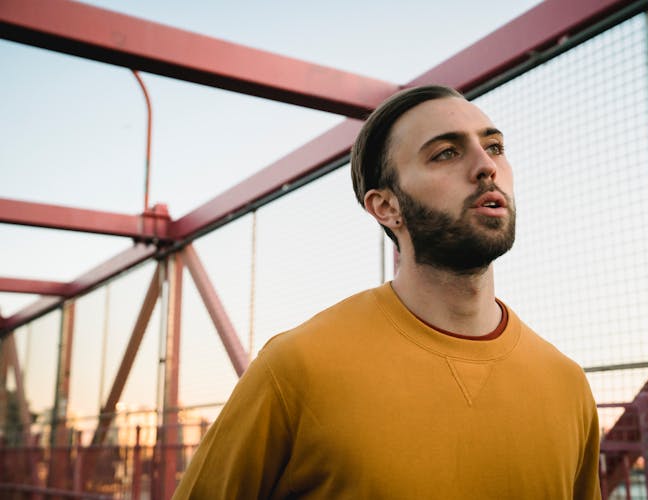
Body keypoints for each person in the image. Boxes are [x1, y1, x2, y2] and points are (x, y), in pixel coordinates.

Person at [173, 85, 601, 499]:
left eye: (494, 147)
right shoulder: (296, 369)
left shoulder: (569, 386)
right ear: (387, 207)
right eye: (446, 153)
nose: (486, 166)